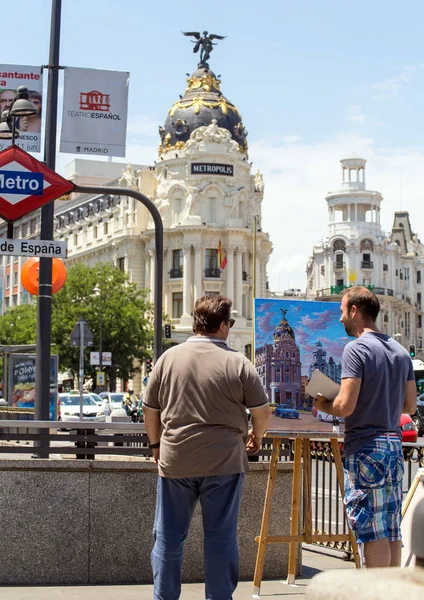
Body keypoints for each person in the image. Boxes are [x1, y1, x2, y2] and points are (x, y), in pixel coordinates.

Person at [143, 295, 271, 600]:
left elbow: (150, 409)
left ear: (196, 322)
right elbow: (262, 411)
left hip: (176, 459)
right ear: (224, 325)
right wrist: (257, 436)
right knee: (220, 537)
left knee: (169, 537)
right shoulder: (238, 362)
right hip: (225, 461)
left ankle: (164, 596)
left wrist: (156, 445)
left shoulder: (168, 359)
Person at [314, 286, 417, 568]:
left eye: (342, 312)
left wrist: (321, 403)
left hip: (366, 448)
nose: (340, 319)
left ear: (355, 311)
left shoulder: (356, 349)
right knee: (391, 528)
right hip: (393, 445)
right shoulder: (399, 351)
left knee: (372, 530)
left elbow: (345, 406)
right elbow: (410, 406)